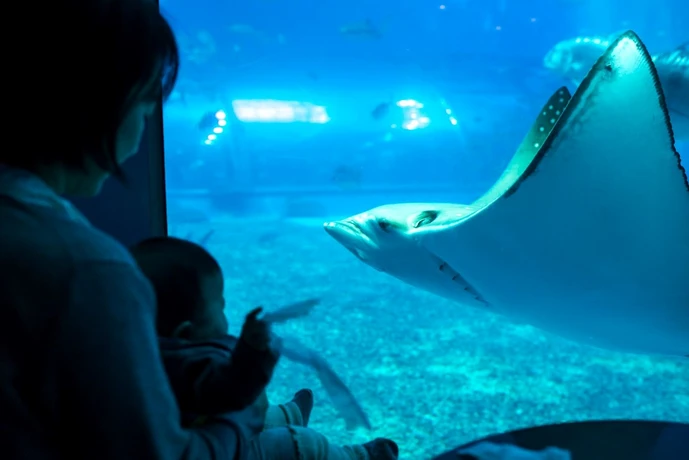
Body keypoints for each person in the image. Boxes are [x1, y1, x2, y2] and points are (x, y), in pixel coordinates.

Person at [0, 1, 264, 458]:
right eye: (145, 110)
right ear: (100, 103)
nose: (141, 135)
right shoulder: (87, 268)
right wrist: (242, 416)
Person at [131, 236, 400, 460]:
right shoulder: (189, 364)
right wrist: (253, 350)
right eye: (220, 305)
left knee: (262, 417)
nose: (225, 311)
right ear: (186, 333)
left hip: (203, 426)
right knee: (298, 443)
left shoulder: (145, 356)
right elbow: (234, 391)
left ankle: (286, 415)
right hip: (229, 451)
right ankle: (353, 456)